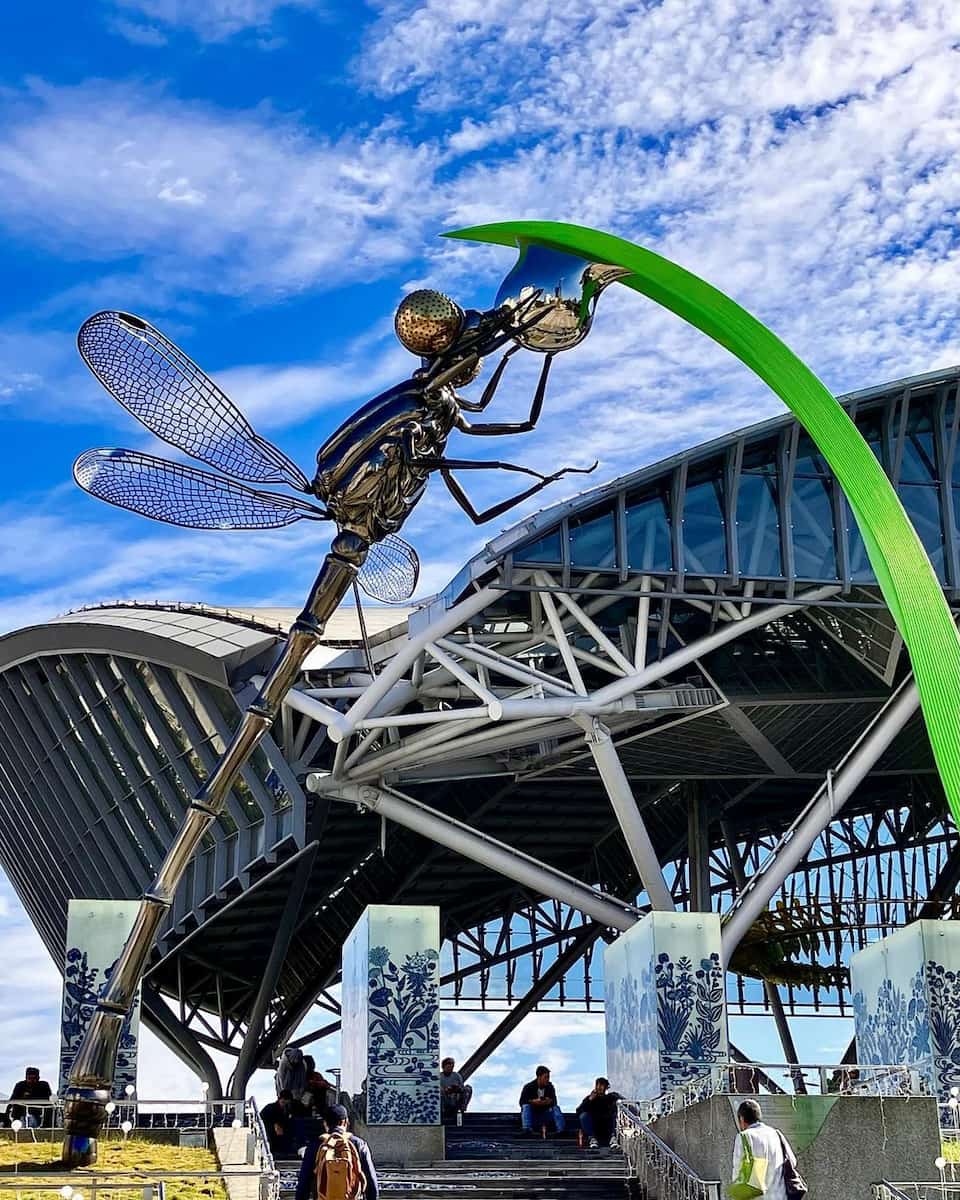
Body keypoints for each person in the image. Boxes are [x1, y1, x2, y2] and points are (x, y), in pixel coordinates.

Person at [295, 1103, 379, 1200]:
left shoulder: (315, 1146)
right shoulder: (359, 1144)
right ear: (346, 1122)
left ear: (325, 1123)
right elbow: (372, 1183)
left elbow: (303, 1184)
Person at [731, 1099, 797, 1200]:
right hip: (780, 1196)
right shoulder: (776, 1134)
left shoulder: (744, 1137)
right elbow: (792, 1161)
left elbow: (737, 1172)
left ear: (742, 1119)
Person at [576, 1076, 620, 1149]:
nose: (599, 1087)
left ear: (606, 1087)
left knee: (617, 1115)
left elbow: (621, 1103)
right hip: (594, 1126)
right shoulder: (589, 1098)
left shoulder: (610, 1098)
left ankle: (613, 1139)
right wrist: (589, 1100)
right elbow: (578, 1111)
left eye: (602, 1085)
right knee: (583, 1116)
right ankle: (592, 1139)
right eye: (598, 1085)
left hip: (608, 1125)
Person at [519, 1065, 564, 1135]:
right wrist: (533, 1102)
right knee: (526, 1107)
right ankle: (527, 1129)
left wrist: (547, 1101)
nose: (548, 1079)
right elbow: (521, 1102)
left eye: (548, 1077)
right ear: (539, 1077)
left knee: (556, 1108)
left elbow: (554, 1102)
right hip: (532, 1116)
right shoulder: (528, 1087)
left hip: (545, 1115)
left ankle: (561, 1130)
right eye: (545, 1077)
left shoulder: (550, 1087)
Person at [261, 1089, 297, 1157]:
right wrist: (275, 1125)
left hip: (280, 1133)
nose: (285, 1104)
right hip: (268, 1131)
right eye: (284, 1101)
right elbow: (263, 1120)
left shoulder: (286, 1110)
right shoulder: (270, 1108)